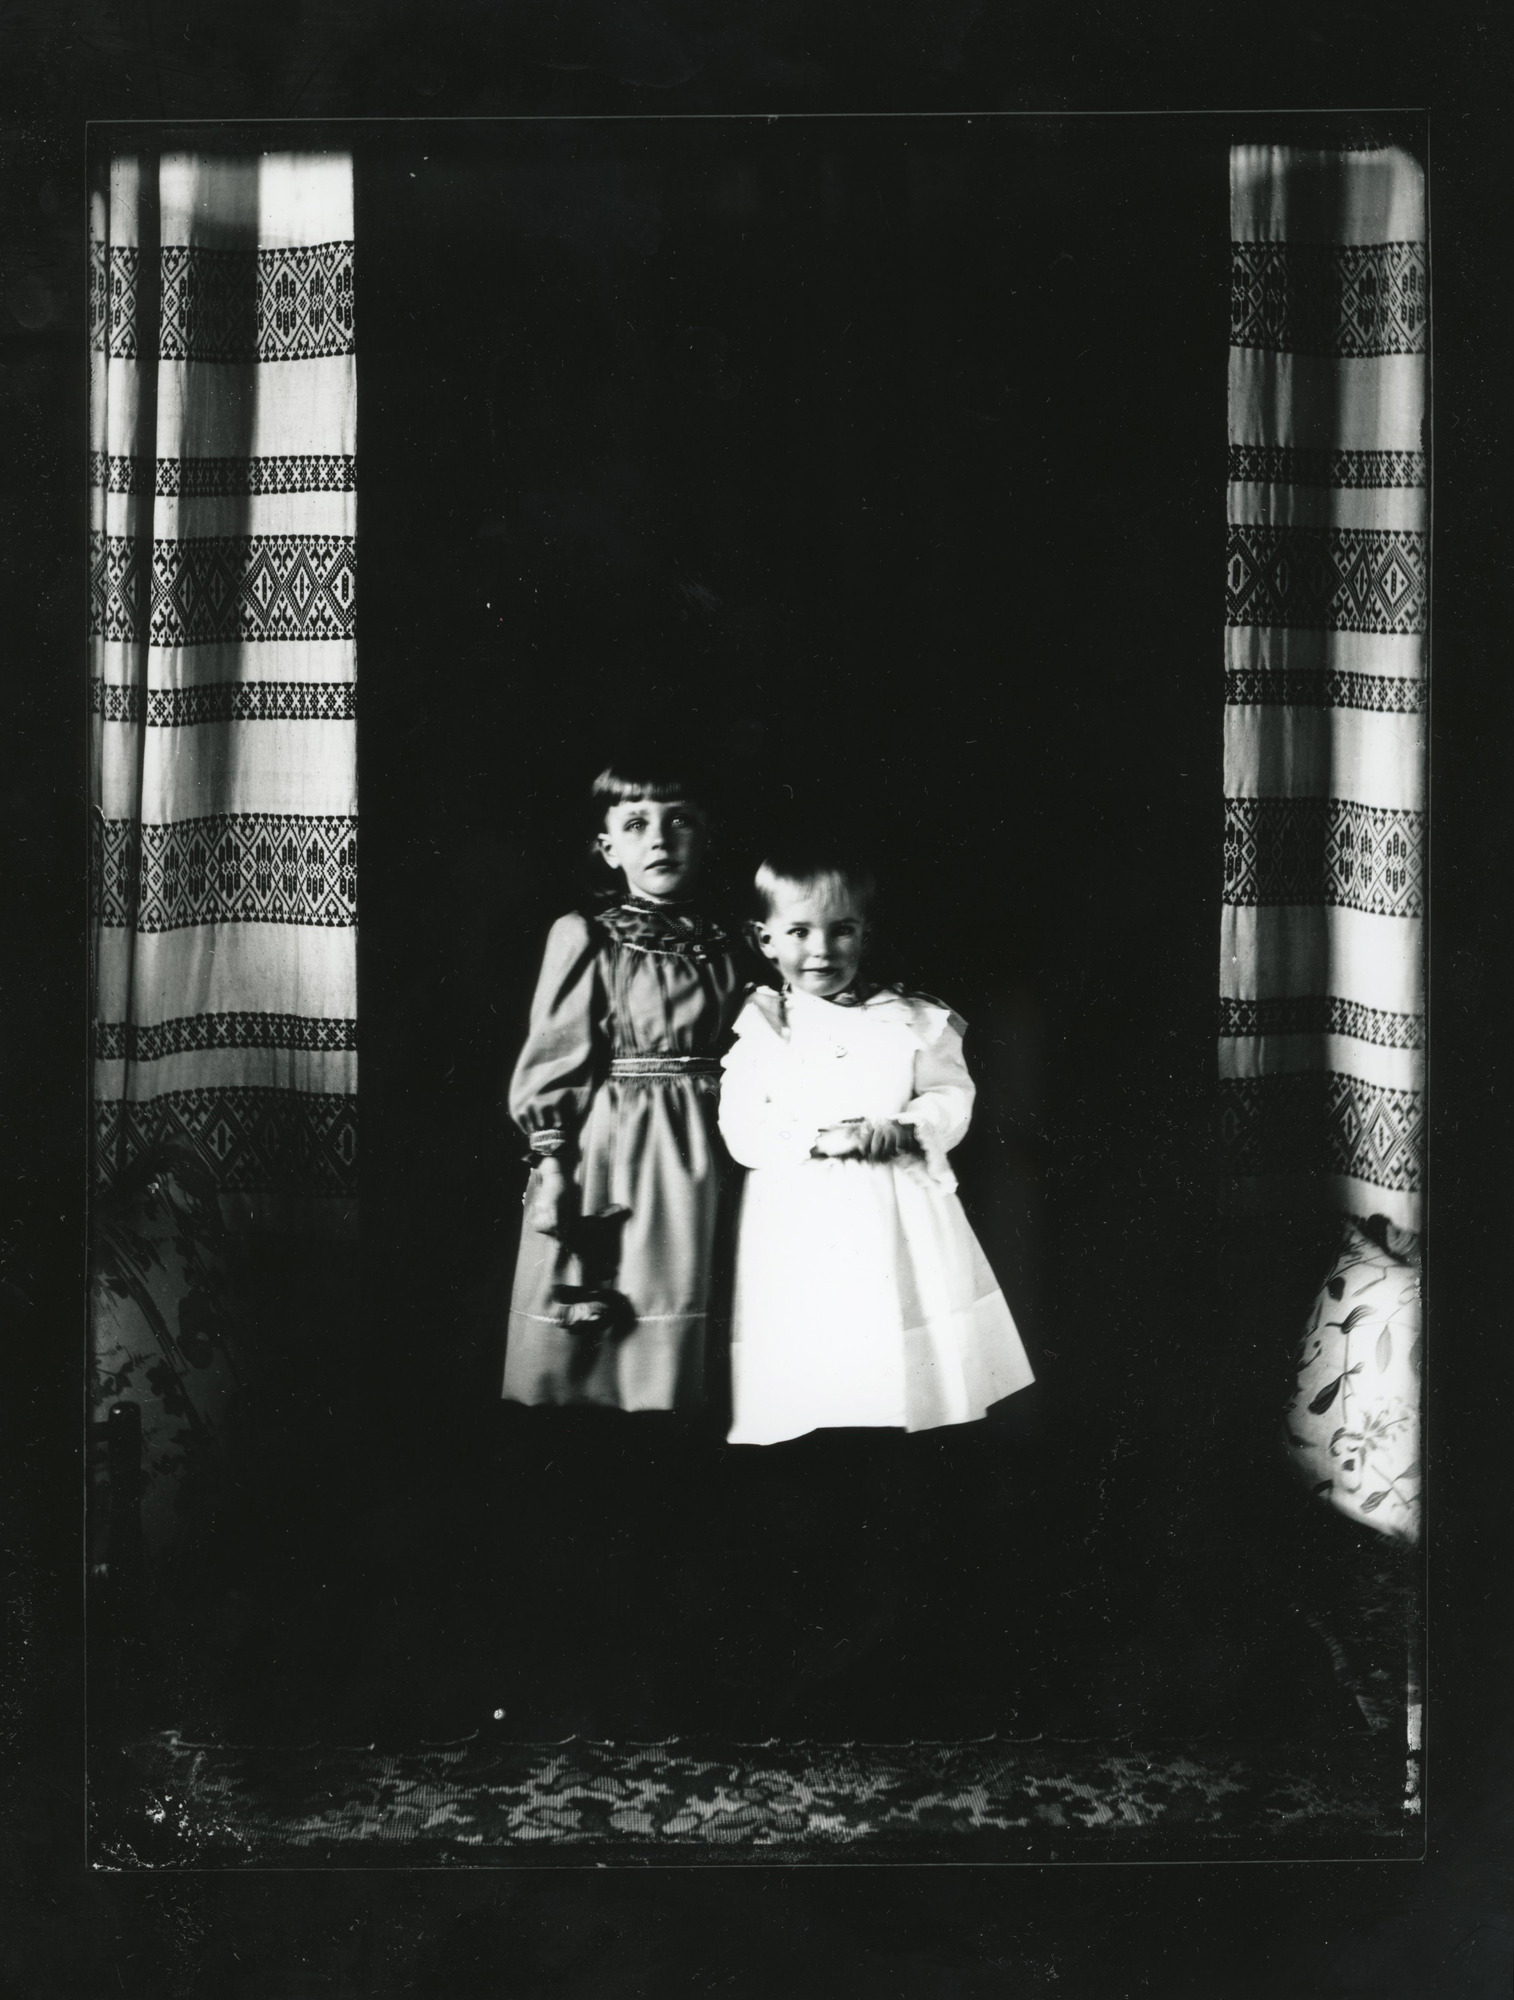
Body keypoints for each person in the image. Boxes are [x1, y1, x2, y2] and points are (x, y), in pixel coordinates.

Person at [718, 848, 1035, 1445]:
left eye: (841, 930)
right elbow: (742, 1126)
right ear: (765, 940)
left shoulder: (909, 1019)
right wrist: (817, 1139)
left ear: (865, 934)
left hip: (899, 1204)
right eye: (799, 931)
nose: (821, 949)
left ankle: (900, 1436)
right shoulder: (765, 1027)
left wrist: (911, 1126)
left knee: (898, 1325)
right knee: (819, 1330)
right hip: (802, 1211)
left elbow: (950, 1094)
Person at [502, 756, 761, 1417]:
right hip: (624, 1150)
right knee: (622, 1304)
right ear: (608, 846)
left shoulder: (738, 940)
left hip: (721, 1140)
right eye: (637, 823)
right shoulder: (589, 936)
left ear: (707, 836)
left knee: (711, 1300)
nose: (660, 839)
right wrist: (552, 1168)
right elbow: (554, 1059)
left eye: (680, 822)